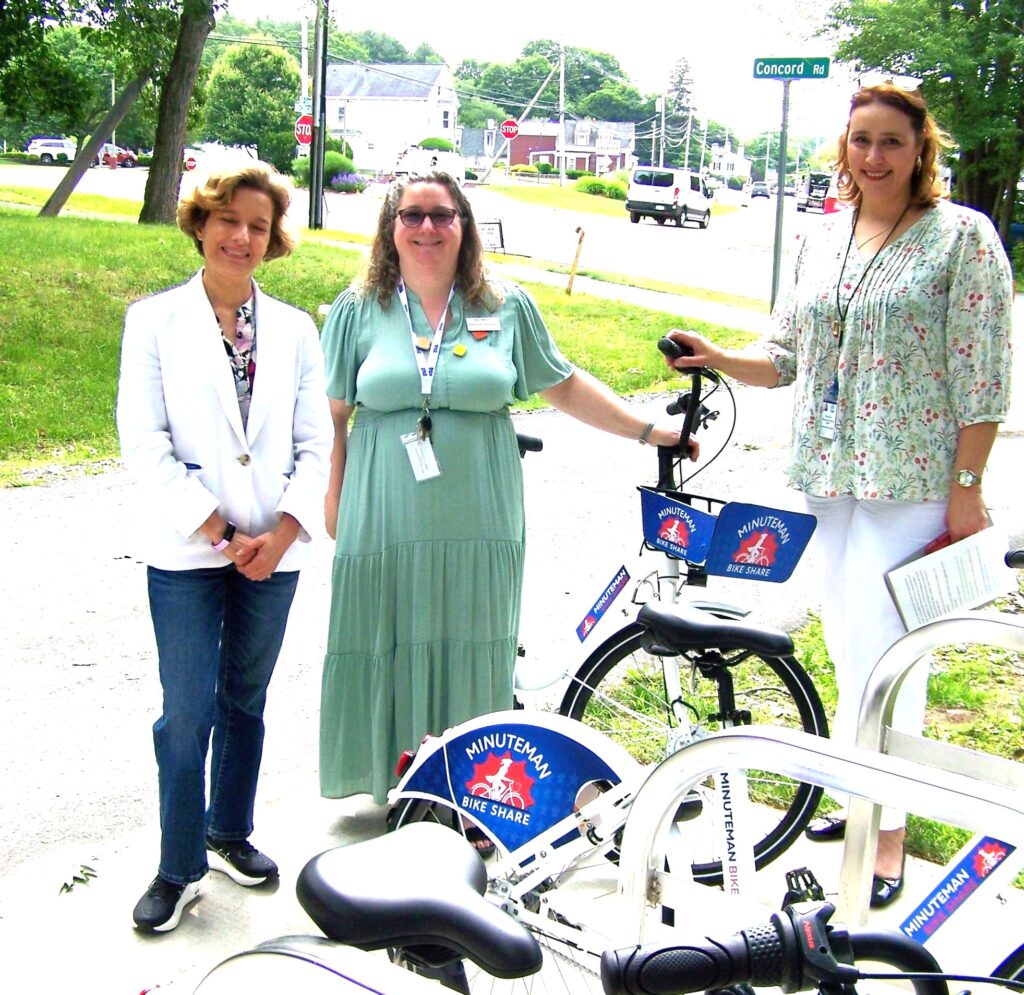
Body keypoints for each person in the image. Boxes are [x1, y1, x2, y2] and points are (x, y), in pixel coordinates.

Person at [665, 82, 1012, 907]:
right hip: (831, 474)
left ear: (921, 149)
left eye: (892, 140)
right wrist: (718, 356)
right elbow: (784, 356)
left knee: (890, 657)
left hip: (912, 480)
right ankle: (865, 797)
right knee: (851, 647)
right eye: (861, 140)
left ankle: (885, 839)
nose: (874, 156)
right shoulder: (823, 237)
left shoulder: (962, 237)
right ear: (843, 148)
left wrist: (966, 490)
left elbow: (985, 377)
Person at [318, 171, 687, 826]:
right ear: (390, 227)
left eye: (442, 214)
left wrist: (650, 430)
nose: (427, 228)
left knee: (474, 638)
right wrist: (333, 495)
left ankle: (473, 792)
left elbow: (562, 383)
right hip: (382, 507)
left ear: (464, 225)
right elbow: (333, 416)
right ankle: (394, 780)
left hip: (479, 511)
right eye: (412, 215)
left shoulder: (505, 304)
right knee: (385, 632)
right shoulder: (358, 308)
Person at [117, 162, 332, 932]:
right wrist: (219, 529)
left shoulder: (297, 330)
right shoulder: (154, 321)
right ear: (201, 224)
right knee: (187, 712)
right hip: (188, 550)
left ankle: (228, 830)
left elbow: (316, 441)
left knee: (246, 698)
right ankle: (178, 866)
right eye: (229, 220)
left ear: (273, 240)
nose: (242, 236)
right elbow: (143, 442)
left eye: (258, 226)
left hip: (275, 549)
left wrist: (283, 532)